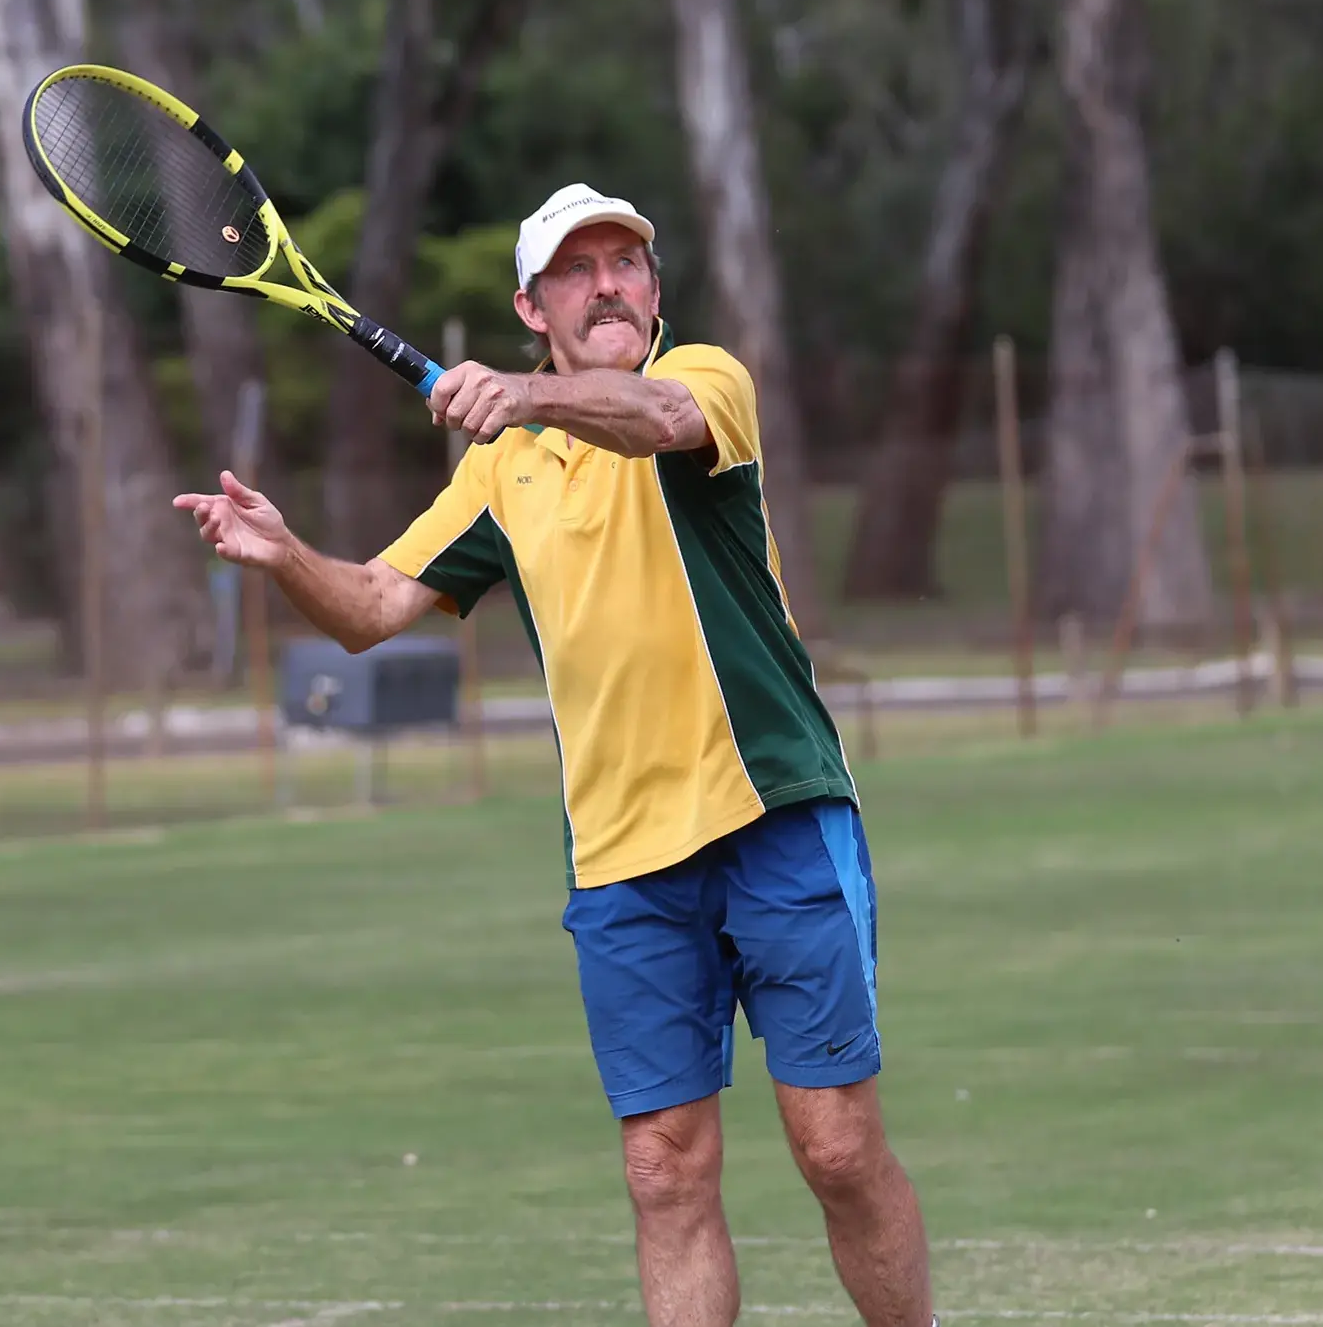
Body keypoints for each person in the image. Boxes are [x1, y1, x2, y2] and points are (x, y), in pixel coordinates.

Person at [174, 184, 935, 1327]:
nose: (609, 285)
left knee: (834, 1146)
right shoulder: (502, 472)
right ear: (534, 304)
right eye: (577, 272)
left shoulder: (708, 382)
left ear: (656, 290)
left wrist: (525, 395)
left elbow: (654, 417)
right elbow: (374, 604)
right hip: (624, 858)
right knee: (663, 1168)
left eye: (625, 263)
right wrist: (285, 554)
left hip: (774, 809)